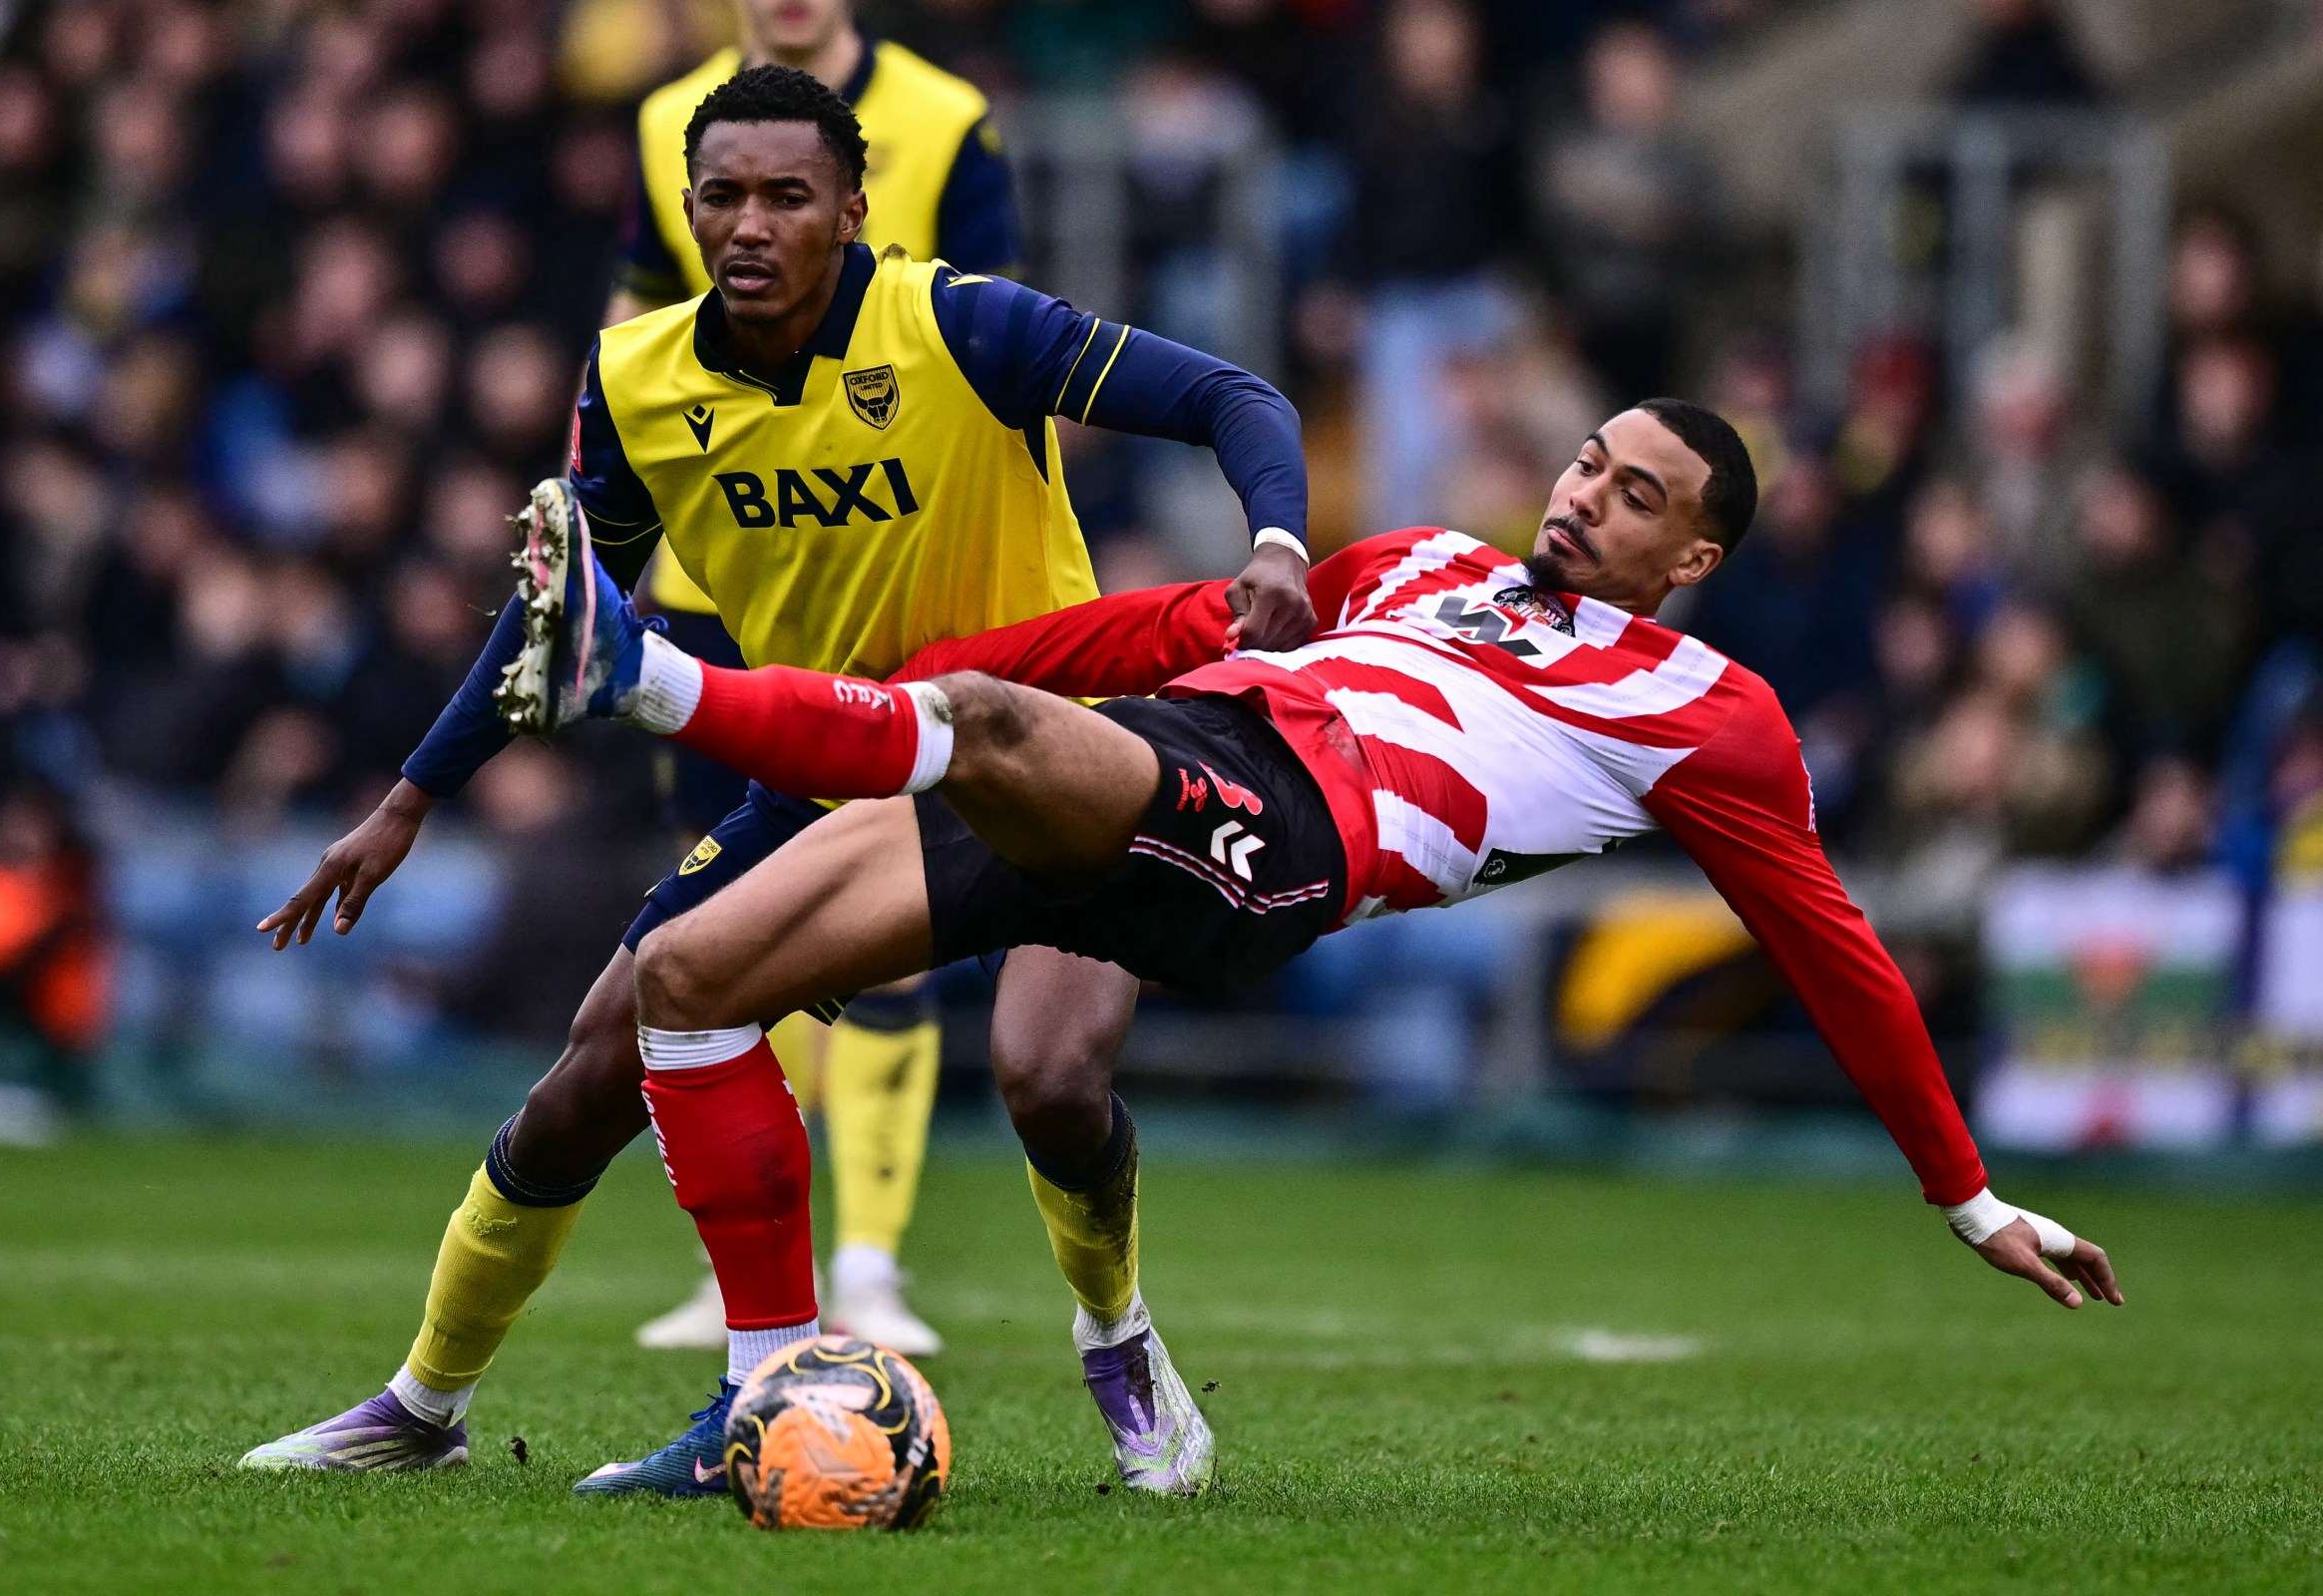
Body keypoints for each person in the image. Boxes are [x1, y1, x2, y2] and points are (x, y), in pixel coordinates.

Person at [509, 395, 2122, 1483]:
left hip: (1287, 836)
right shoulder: (1417, 559)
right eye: (1586, 464)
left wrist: (1967, 1197)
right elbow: (1179, 631)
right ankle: (787, 1402)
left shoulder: (1715, 716)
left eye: (1640, 499)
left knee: (989, 737)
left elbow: (1832, 942)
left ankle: (637, 673)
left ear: (1691, 560)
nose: (1586, 498)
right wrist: (942, 660)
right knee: (711, 987)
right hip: (1167, 746)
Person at [238, 66, 1316, 1496]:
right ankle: (428, 1403)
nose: (750, 225)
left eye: (786, 197)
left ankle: (1115, 1336)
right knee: (594, 1066)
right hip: (829, 764)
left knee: (1049, 1077)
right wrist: (414, 797)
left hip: (1053, 744)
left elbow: (1235, 397)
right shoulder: (637, 379)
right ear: (685, 211)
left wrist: (1279, 545)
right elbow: (560, 608)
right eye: (722, 196)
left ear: (850, 211)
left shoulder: (958, 324)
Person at [608, 0, 1025, 1362]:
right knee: (728, 930)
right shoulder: (666, 119)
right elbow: (632, 319)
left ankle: (872, 1263)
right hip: (715, 584)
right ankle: (752, 1277)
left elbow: (1004, 347)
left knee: (888, 925)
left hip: (893, 569)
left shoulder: (949, 120)